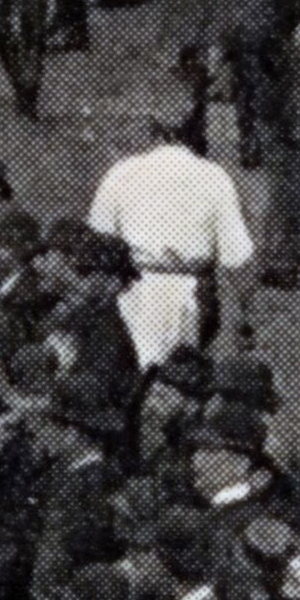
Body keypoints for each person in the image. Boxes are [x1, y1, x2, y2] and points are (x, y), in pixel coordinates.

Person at [77, 70, 255, 376]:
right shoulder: (214, 177)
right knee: (184, 378)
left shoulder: (121, 174)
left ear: (154, 130)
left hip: (135, 292)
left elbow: (95, 243)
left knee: (136, 378)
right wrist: (243, 320)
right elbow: (238, 259)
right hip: (193, 293)